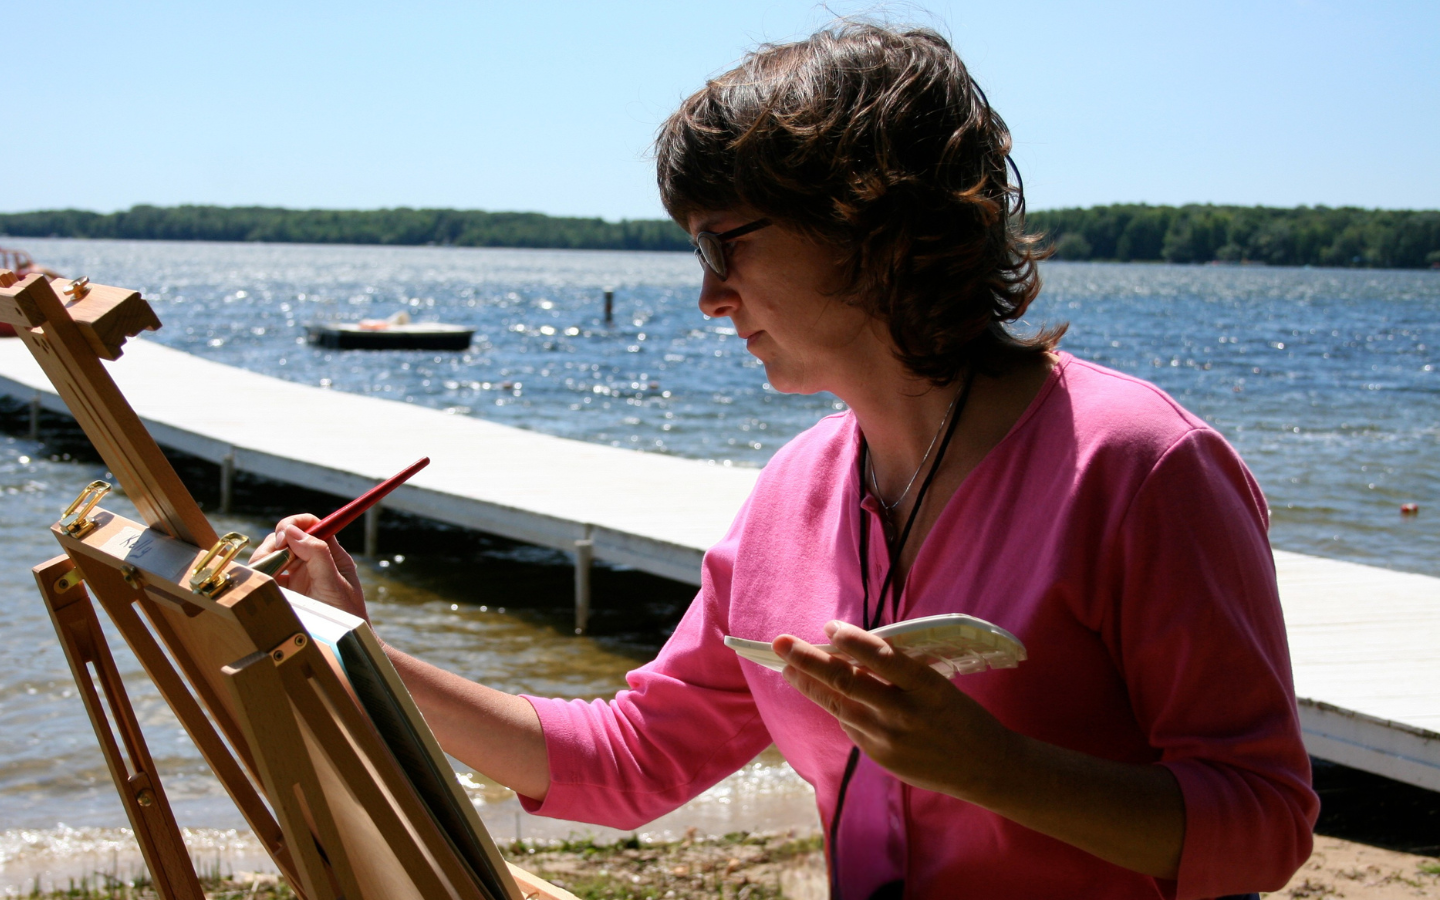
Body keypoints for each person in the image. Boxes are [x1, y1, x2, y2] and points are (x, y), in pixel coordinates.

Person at [255, 22, 1317, 900]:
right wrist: (353, 650)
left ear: (874, 221)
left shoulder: (1141, 466)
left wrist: (998, 772)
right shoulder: (792, 496)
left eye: (728, 244)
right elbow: (632, 761)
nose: (709, 295)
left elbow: (1264, 826)